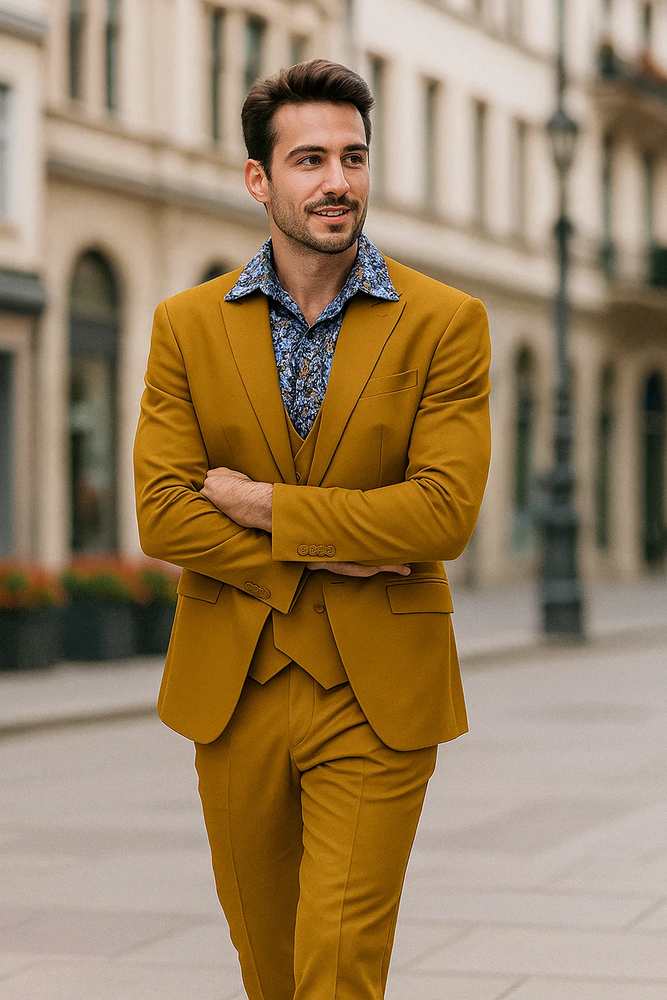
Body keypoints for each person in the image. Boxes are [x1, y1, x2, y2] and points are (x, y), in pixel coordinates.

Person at [134, 58, 491, 1000]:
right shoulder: (186, 325)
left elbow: (441, 513)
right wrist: (344, 548)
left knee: (337, 968)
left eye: (353, 157)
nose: (337, 181)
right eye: (309, 160)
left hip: (376, 693)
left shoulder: (445, 324)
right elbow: (162, 511)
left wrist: (262, 506)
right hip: (235, 687)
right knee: (271, 969)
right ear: (260, 178)